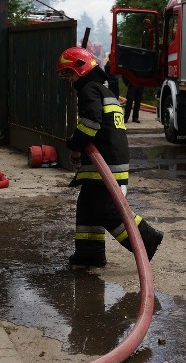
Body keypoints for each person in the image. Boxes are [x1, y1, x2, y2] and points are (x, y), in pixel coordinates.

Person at [57, 46, 163, 267]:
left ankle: (146, 239)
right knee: (87, 206)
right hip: (113, 161)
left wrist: (74, 145)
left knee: (107, 210)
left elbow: (91, 123)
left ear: (81, 69)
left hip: (105, 165)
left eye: (70, 73)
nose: (69, 80)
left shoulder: (89, 91)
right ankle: (90, 254)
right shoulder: (106, 92)